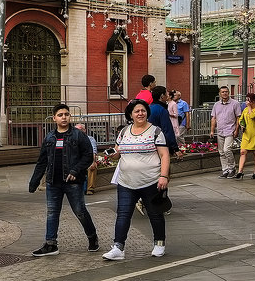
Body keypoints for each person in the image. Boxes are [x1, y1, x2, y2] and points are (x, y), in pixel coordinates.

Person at [102, 99, 169, 261]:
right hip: (126, 182)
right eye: (136, 111)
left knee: (155, 213)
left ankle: (159, 244)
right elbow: (118, 152)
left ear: (147, 113)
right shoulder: (124, 131)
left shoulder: (155, 131)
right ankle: (118, 247)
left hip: (151, 181)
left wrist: (164, 176)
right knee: (123, 214)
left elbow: (164, 154)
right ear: (130, 115)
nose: (140, 113)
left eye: (143, 110)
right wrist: (111, 154)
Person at [28, 105, 100, 257]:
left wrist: (75, 170)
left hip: (73, 182)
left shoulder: (78, 135)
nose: (64, 117)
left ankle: (92, 237)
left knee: (80, 211)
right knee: (52, 212)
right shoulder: (49, 137)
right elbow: (42, 161)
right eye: (60, 114)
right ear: (54, 118)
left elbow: (88, 155)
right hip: (53, 182)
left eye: (67, 114)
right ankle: (51, 244)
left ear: (70, 117)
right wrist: (34, 181)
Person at [209, 86, 242, 178]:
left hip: (230, 130)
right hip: (220, 130)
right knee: (221, 152)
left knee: (227, 150)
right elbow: (213, 118)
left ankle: (232, 168)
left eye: (226, 92)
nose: (225, 93)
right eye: (223, 92)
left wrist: (236, 130)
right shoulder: (216, 105)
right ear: (220, 93)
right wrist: (212, 130)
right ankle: (225, 170)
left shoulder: (235, 103)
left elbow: (238, 117)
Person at [234, 92, 255, 178]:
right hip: (246, 134)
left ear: (253, 101)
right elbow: (241, 119)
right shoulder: (246, 109)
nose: (247, 102)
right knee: (243, 152)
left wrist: (250, 107)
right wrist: (242, 124)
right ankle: (240, 171)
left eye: (248, 100)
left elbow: (252, 116)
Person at [147, 86, 179, 156]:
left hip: (148, 143)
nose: (168, 95)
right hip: (161, 144)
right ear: (162, 96)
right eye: (166, 93)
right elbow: (167, 130)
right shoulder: (162, 110)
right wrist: (175, 148)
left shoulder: (149, 108)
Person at [73, 121, 99, 195]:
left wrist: (93, 162)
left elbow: (94, 151)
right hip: (76, 161)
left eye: (80, 129)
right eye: (76, 130)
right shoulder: (72, 139)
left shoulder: (90, 139)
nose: (78, 131)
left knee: (92, 167)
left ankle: (90, 189)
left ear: (84, 130)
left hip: (86, 161)